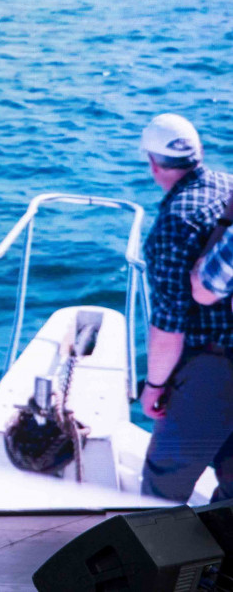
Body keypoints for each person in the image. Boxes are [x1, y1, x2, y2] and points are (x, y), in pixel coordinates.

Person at [137, 113, 233, 503]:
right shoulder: (227, 185)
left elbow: (168, 330)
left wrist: (154, 387)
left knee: (162, 487)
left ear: (154, 164)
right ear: (199, 153)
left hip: (214, 369)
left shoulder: (174, 222)